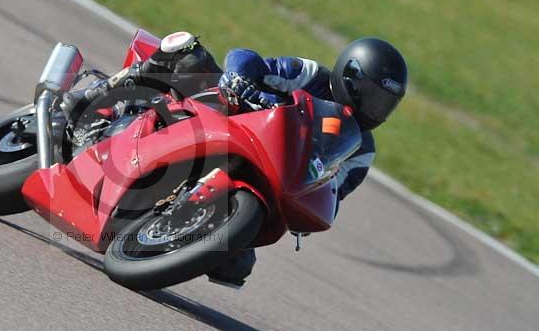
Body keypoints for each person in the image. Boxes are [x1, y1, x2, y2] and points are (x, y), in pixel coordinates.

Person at [75, 31, 408, 287]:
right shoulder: (311, 75)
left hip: (269, 171)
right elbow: (248, 60)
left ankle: (166, 222)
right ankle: (98, 97)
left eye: (386, 103)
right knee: (189, 56)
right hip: (232, 116)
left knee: (236, 264)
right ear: (350, 78)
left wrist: (311, 202)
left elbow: (335, 189)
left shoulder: (362, 149)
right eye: (373, 96)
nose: (376, 110)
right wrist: (241, 79)